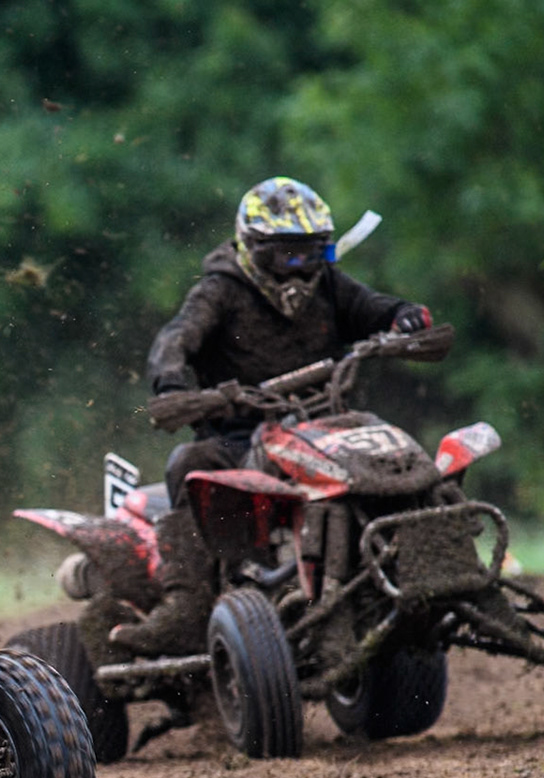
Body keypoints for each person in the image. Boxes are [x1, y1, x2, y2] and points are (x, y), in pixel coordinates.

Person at [112, 176, 435, 661]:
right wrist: (174, 387)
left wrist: (404, 317)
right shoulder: (220, 290)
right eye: (283, 256)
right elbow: (175, 340)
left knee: (393, 449)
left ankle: (424, 563)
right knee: (188, 462)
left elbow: (374, 308)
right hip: (240, 437)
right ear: (251, 248)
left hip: (326, 426)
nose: (296, 270)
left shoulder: (329, 284)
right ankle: (187, 603)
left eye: (309, 254)